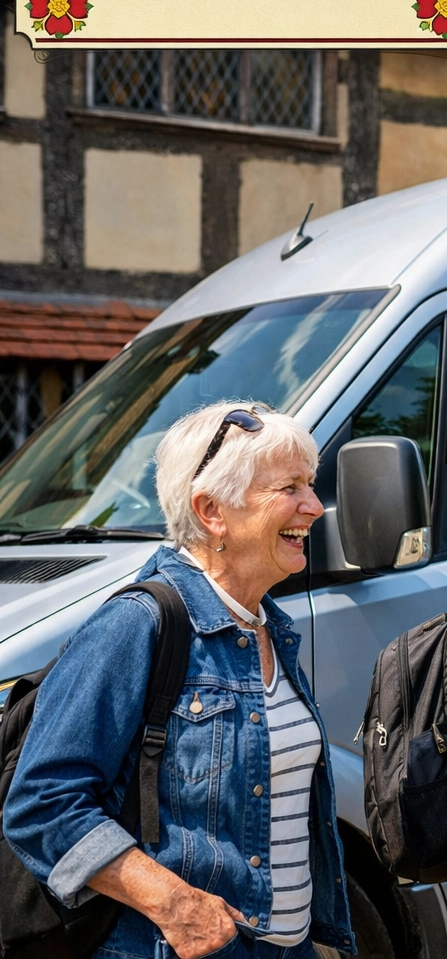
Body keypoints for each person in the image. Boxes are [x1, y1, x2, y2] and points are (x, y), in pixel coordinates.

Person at [4, 402, 353, 959]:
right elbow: (42, 803)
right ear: (211, 510)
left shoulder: (270, 628)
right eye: (289, 487)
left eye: (310, 485)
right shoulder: (137, 624)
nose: (314, 506)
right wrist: (176, 906)